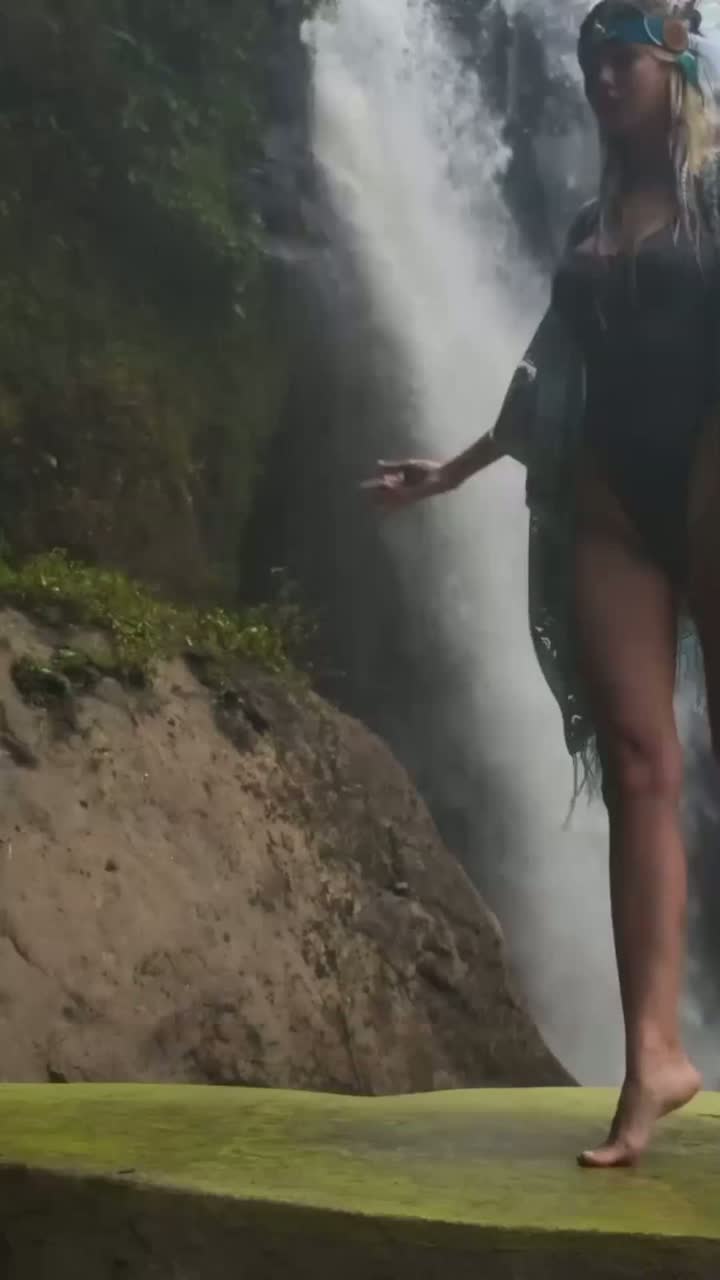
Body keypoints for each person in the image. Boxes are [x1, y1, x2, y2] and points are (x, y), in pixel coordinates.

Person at [362, 0, 720, 1168]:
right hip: (608, 507)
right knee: (637, 765)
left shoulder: (717, 193)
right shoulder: (590, 220)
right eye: (589, 62)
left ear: (678, 65)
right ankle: (653, 1057)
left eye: (623, 59)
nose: (602, 78)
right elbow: (546, 375)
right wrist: (454, 467)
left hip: (710, 484)